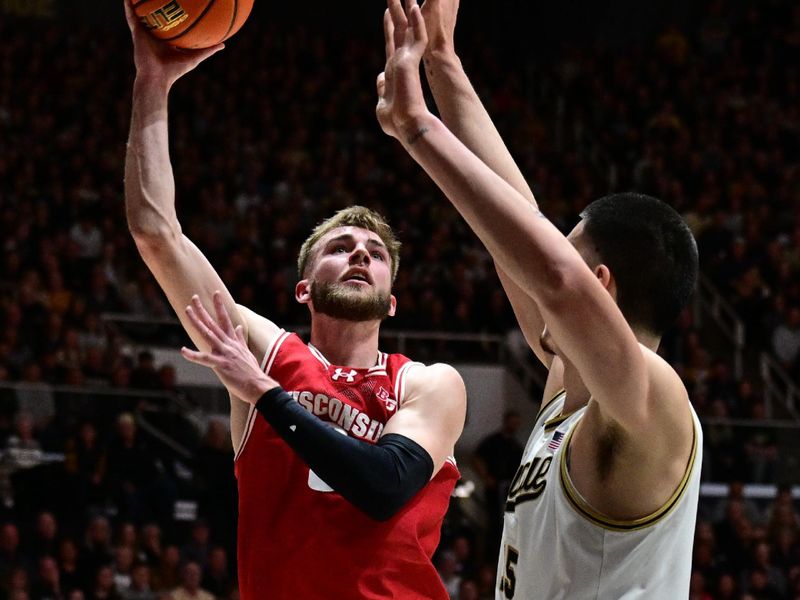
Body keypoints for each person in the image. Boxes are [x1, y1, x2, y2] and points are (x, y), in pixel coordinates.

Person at [122, 2, 466, 599]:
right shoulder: (264, 348)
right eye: (341, 247)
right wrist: (152, 83)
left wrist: (263, 393)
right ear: (304, 288)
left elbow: (384, 486)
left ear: (391, 303)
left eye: (376, 254)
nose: (361, 255)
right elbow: (157, 234)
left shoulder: (429, 385)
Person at [376, 0, 701, 598]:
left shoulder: (655, 403)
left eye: (566, 253)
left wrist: (417, 129)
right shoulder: (565, 388)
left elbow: (551, 274)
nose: (542, 259)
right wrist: (445, 61)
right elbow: (518, 224)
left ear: (598, 285)